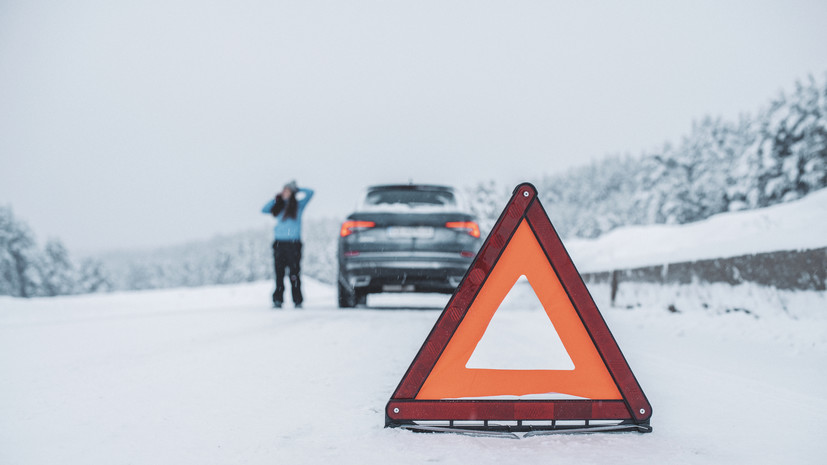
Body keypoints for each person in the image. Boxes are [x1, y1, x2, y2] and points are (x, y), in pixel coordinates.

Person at [261, 180, 314, 308]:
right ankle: (278, 299)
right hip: (279, 243)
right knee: (279, 273)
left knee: (294, 273)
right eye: (284, 190)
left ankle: (297, 300)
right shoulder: (279, 206)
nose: (285, 193)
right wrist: (277, 198)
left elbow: (310, 193)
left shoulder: (298, 206)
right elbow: (264, 209)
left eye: (288, 191)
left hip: (293, 244)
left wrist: (297, 189)